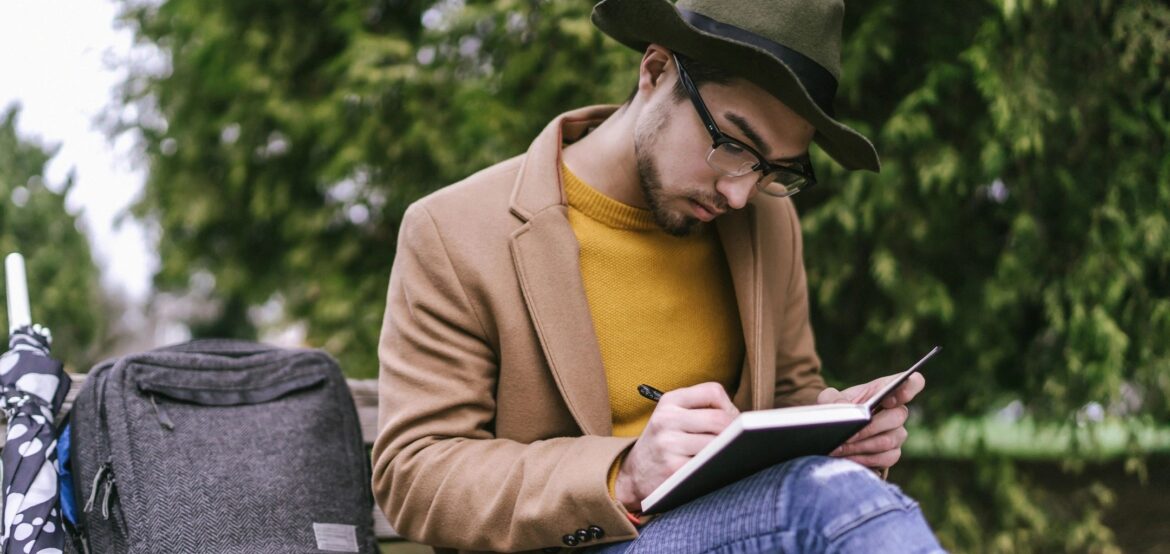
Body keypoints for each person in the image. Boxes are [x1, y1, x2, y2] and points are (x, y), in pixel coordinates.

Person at [371, 0, 946, 552]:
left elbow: (787, 396)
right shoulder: (454, 232)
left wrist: (834, 430)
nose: (740, 193)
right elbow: (415, 473)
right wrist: (623, 473)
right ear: (656, 70)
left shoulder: (768, 224)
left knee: (833, 491)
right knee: (826, 503)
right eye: (733, 146)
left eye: (775, 170)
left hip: (738, 531)